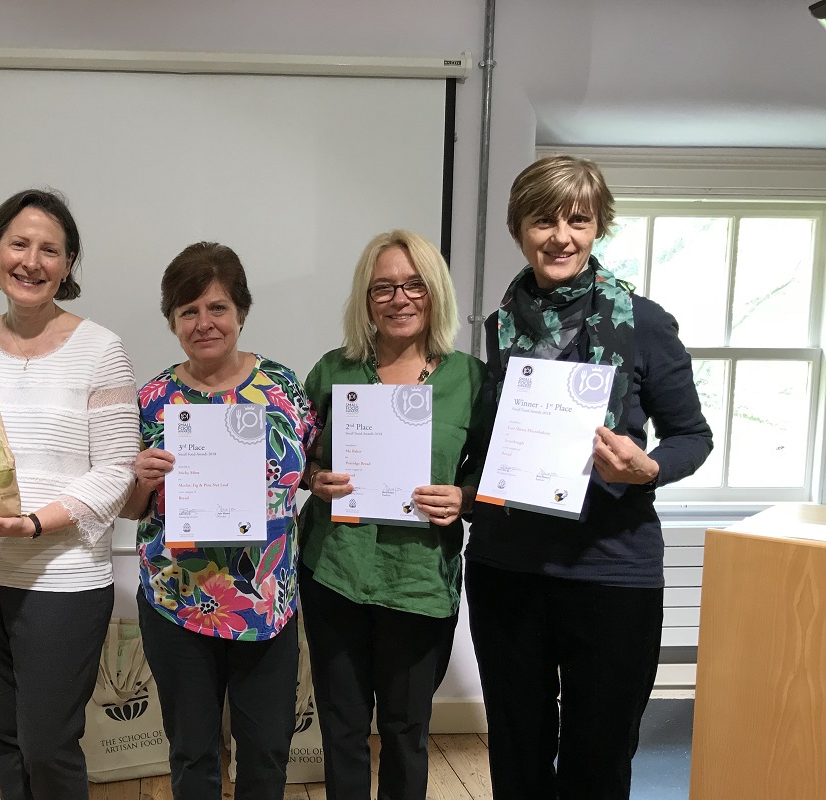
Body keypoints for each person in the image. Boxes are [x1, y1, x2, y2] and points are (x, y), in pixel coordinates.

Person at [466, 155, 713, 799]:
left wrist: (648, 468)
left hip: (612, 569)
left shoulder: (645, 324)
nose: (561, 237)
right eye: (543, 220)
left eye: (578, 220)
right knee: (517, 751)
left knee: (599, 756)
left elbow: (694, 436)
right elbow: (486, 446)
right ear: (519, 228)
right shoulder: (497, 330)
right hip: (507, 569)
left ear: (599, 226)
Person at [0, 189, 138, 800]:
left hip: (61, 578)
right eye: (19, 243)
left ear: (68, 264)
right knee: (4, 734)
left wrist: (34, 523)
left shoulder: (101, 348)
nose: (32, 260)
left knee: (48, 743)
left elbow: (118, 470)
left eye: (51, 249)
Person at [121, 242, 315, 800]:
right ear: (172, 321)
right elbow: (133, 508)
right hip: (177, 601)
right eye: (188, 312)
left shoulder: (282, 387)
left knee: (267, 752)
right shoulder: (153, 399)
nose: (204, 324)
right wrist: (143, 476)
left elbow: (306, 473)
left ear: (241, 312)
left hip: (267, 603)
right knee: (192, 753)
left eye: (217, 308)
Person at [296, 230, 485, 800]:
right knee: (342, 727)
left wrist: (464, 499)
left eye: (413, 285)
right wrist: (313, 479)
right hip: (336, 573)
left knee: (406, 732)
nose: (399, 299)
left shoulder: (469, 379)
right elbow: (294, 457)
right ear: (366, 298)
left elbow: (490, 473)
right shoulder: (333, 370)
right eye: (383, 288)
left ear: (435, 293)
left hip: (419, 583)